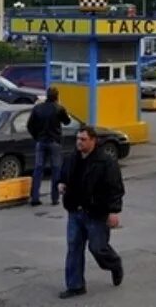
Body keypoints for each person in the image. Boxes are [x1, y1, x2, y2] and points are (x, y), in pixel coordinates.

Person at [57, 126, 125, 299]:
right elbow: (63, 175)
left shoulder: (105, 161)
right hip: (75, 210)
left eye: (83, 139)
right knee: (74, 248)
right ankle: (75, 285)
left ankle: (114, 264)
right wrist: (61, 184)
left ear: (93, 140)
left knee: (98, 248)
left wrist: (113, 211)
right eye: (78, 139)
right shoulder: (72, 158)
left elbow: (116, 188)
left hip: (96, 212)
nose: (79, 142)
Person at [28, 86, 71, 206]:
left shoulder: (37, 108)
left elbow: (30, 125)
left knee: (38, 169)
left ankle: (35, 197)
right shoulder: (59, 108)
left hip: (41, 141)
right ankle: (54, 198)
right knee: (56, 169)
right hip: (54, 142)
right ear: (57, 96)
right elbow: (67, 121)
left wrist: (37, 137)